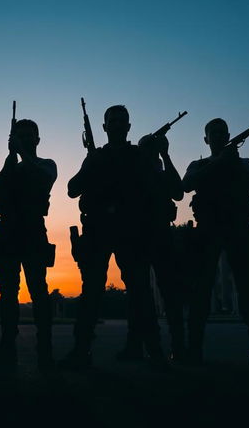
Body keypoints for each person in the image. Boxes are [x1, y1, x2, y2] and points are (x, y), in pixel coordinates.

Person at [60, 105, 168, 370]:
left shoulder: (138, 156)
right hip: (99, 230)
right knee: (92, 291)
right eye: (113, 120)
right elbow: (73, 189)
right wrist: (93, 167)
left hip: (131, 231)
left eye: (123, 120)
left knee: (140, 292)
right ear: (105, 127)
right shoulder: (96, 157)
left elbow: (155, 189)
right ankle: (81, 350)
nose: (118, 124)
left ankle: (152, 351)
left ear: (129, 127)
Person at [182, 118, 249, 364]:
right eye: (214, 133)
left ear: (229, 135)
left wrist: (233, 164)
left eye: (222, 132)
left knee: (248, 290)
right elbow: (186, 185)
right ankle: (194, 348)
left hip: (238, 230)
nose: (219, 136)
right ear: (206, 139)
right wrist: (218, 163)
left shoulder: (244, 163)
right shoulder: (198, 164)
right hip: (208, 231)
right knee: (201, 291)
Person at [0, 119, 57, 369]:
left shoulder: (46, 165)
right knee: (7, 294)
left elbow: (45, 178)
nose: (24, 139)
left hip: (33, 230)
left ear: (37, 139)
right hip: (8, 232)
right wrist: (8, 163)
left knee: (38, 291)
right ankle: (7, 345)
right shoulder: (12, 167)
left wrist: (21, 154)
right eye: (20, 136)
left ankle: (45, 348)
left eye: (28, 136)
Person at [137, 132, 186, 362]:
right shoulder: (137, 172)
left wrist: (166, 155)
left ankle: (177, 344)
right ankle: (153, 346)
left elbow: (178, 191)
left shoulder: (161, 171)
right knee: (143, 294)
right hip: (141, 235)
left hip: (162, 234)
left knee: (170, 292)